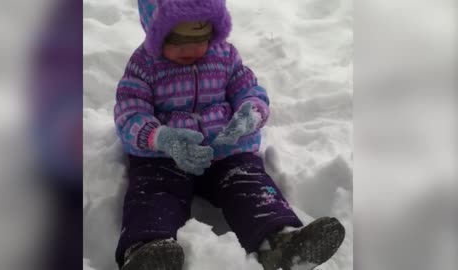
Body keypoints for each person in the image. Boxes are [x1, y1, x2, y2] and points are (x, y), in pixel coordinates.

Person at [114, 1, 345, 269]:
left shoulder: (226, 57)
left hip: (226, 152)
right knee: (152, 193)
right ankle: (147, 250)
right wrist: (161, 138)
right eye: (177, 38)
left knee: (249, 184)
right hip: (165, 157)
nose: (190, 48)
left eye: (201, 36)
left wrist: (251, 113)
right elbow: (129, 114)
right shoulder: (143, 66)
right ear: (155, 30)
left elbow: (249, 91)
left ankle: (279, 243)